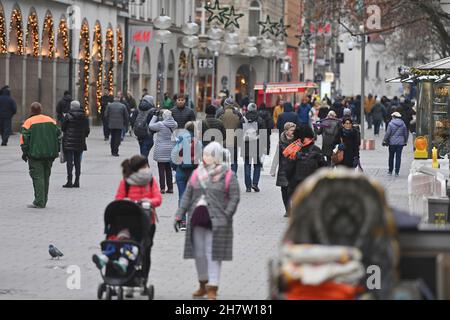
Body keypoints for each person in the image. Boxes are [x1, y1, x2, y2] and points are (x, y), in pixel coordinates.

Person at [174, 142, 240, 300]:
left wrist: (227, 215)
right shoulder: (197, 173)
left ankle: (213, 287)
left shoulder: (227, 174)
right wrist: (179, 215)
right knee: (198, 253)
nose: (205, 158)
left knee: (213, 253)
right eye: (204, 154)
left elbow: (234, 197)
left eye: (209, 155)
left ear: (216, 157)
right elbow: (188, 195)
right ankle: (203, 283)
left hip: (218, 220)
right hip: (196, 218)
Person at [115, 155, 162, 297]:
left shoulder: (151, 180)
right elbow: (118, 199)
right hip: (130, 222)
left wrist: (148, 202)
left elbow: (158, 198)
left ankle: (143, 280)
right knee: (129, 249)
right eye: (145, 166)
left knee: (145, 251)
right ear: (138, 168)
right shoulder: (127, 182)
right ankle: (129, 280)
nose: (147, 168)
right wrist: (129, 202)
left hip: (148, 222)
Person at [20, 102, 60, 208]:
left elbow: (24, 140)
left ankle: (39, 201)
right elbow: (59, 136)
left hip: (35, 155)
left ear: (31, 110)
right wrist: (57, 150)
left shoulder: (28, 122)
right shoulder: (51, 120)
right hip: (50, 154)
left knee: (38, 177)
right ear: (41, 110)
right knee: (46, 177)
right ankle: (43, 200)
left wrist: (25, 153)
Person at [283, 124, 326, 206]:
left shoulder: (293, 149)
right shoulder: (316, 150)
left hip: (297, 185)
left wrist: (291, 183)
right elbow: (324, 167)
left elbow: (288, 169)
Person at [171, 121, 203, 204]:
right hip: (194, 171)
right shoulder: (198, 143)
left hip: (181, 170)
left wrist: (175, 167)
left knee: (182, 196)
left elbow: (173, 156)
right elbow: (201, 157)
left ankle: (181, 216)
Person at [61, 100, 90, 188]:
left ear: (71, 107)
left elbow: (63, 128)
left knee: (69, 161)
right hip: (80, 141)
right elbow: (87, 130)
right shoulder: (84, 116)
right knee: (78, 162)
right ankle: (77, 181)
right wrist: (83, 135)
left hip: (69, 141)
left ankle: (69, 181)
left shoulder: (68, 116)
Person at [270, 122, 296, 217]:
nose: (294, 132)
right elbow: (277, 156)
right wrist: (273, 169)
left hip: (295, 169)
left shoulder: (297, 141)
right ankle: (288, 210)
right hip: (284, 169)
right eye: (292, 130)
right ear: (286, 131)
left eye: (294, 130)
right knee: (284, 191)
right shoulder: (281, 142)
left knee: (293, 190)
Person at [149, 109, 178, 194]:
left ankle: (162, 188)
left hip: (161, 149)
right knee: (169, 169)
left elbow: (150, 126)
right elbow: (174, 123)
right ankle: (170, 188)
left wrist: (155, 116)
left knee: (161, 169)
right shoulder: (175, 124)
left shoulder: (160, 125)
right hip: (170, 149)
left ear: (164, 116)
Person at [242, 103, 266, 193]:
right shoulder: (260, 120)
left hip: (246, 145)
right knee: (257, 165)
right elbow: (263, 134)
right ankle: (255, 184)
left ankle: (248, 186)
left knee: (247, 165)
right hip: (257, 145)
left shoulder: (243, 119)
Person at [219, 97, 242, 175]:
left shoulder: (220, 113)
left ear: (225, 104)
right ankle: (233, 175)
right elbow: (241, 127)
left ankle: (223, 175)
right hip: (234, 141)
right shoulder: (238, 114)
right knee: (234, 160)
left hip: (223, 140)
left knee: (223, 160)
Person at [383, 112, 408, 177]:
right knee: (398, 157)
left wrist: (384, 140)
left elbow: (388, 133)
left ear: (394, 117)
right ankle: (397, 171)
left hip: (392, 143)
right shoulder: (403, 124)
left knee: (391, 157)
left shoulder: (390, 124)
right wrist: (405, 141)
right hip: (400, 143)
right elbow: (405, 134)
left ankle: (390, 170)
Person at [132, 95, 157, 159]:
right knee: (144, 155)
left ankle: (144, 167)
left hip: (139, 134)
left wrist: (134, 127)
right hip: (148, 135)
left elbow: (132, 120)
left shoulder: (137, 109)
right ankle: (145, 167)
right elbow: (156, 123)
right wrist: (152, 132)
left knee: (143, 153)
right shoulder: (153, 110)